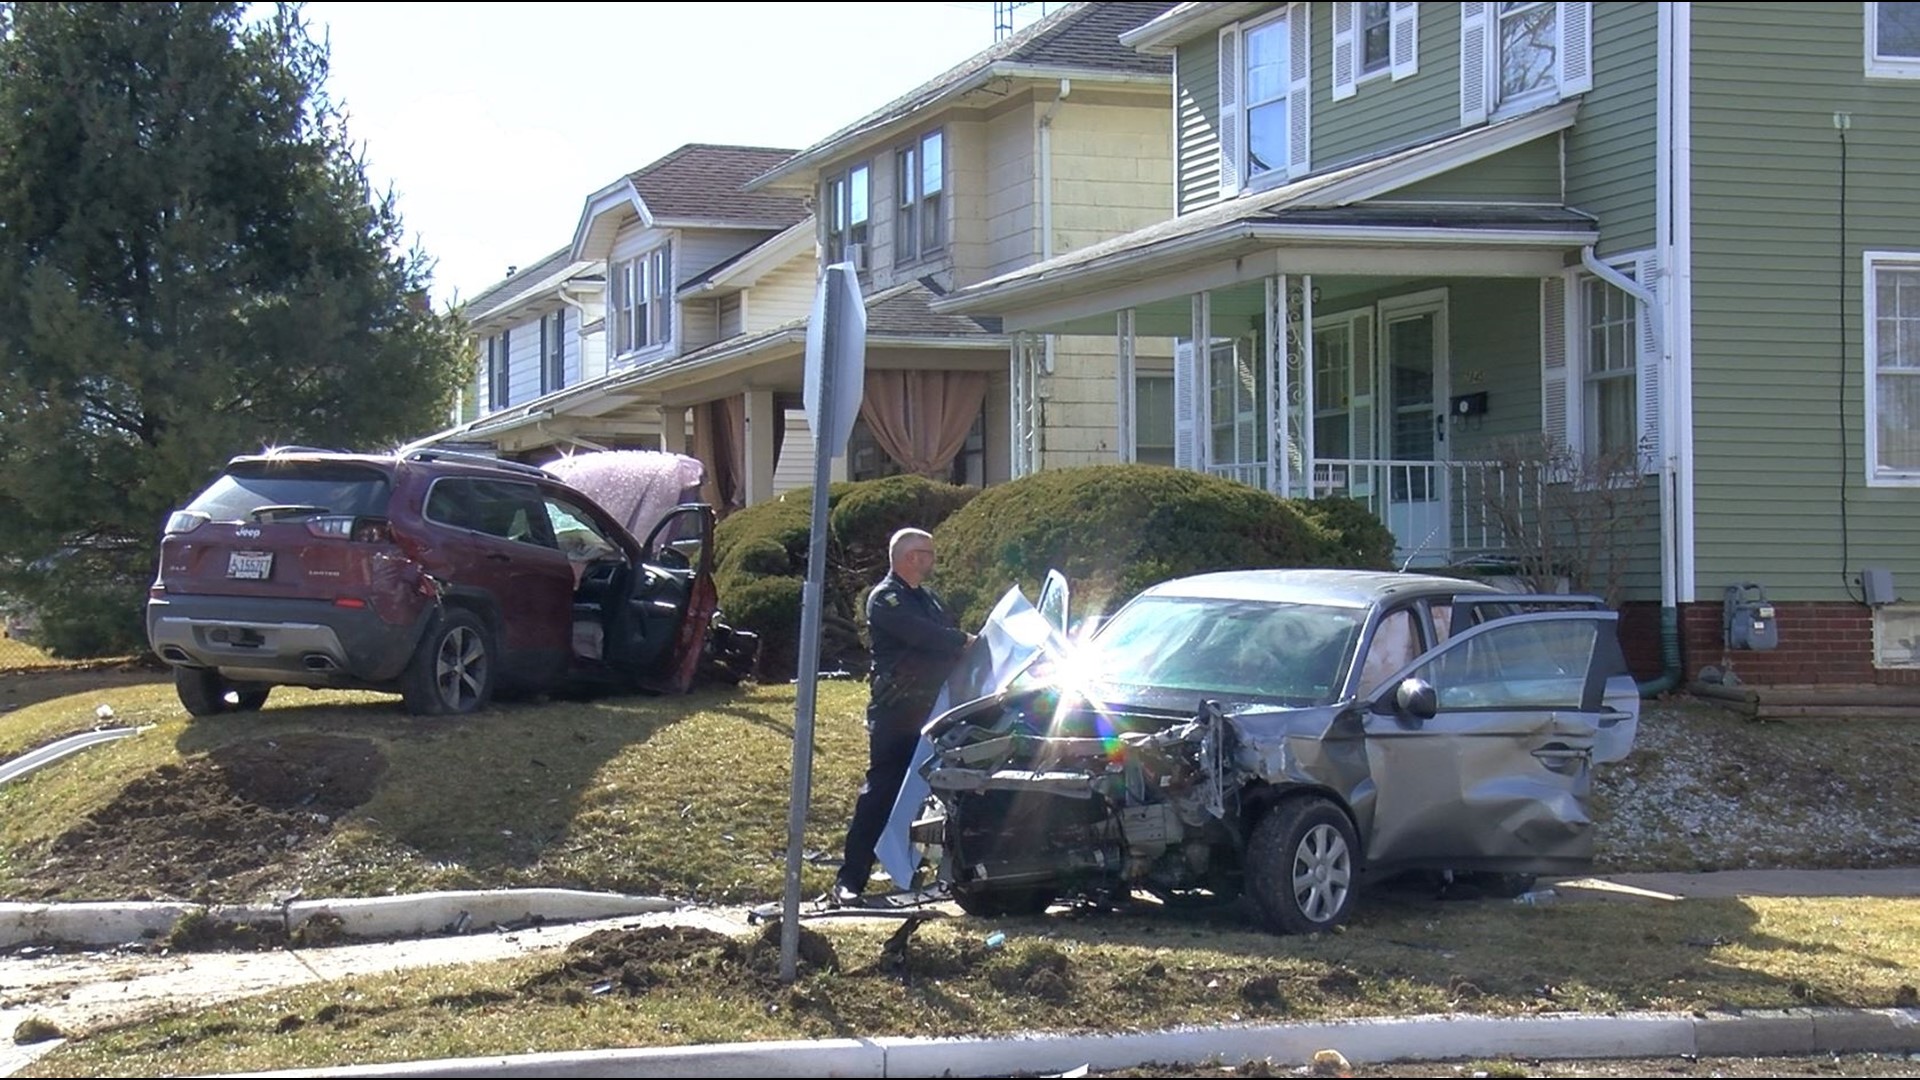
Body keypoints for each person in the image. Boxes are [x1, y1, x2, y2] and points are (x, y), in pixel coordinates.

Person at [833, 527, 975, 905]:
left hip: (936, 711)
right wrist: (961, 640)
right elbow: (925, 636)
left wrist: (964, 645)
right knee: (881, 792)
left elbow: (942, 634)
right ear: (911, 557)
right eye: (927, 552)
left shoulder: (928, 598)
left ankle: (936, 874)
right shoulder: (886, 599)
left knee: (943, 791)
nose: (932, 559)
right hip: (897, 712)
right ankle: (850, 879)